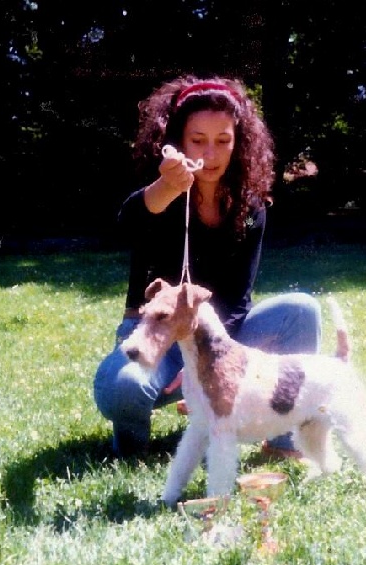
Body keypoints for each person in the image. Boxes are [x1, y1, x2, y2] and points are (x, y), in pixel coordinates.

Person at [93, 75, 321, 459]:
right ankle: (132, 449)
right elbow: (125, 224)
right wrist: (166, 188)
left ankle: (283, 440)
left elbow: (236, 299)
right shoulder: (161, 192)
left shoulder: (251, 207)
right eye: (198, 140)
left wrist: (205, 363)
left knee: (302, 310)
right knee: (124, 388)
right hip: (158, 336)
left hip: (223, 337)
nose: (211, 154)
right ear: (178, 141)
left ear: (239, 142)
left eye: (223, 141)